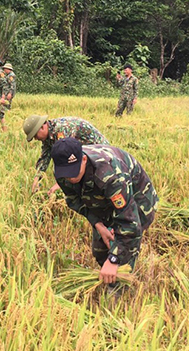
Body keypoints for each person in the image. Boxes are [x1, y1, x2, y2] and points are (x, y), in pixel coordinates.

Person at [51, 137, 157, 286]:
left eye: (74, 172)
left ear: (84, 160)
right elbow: (75, 200)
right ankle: (109, 275)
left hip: (136, 201)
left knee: (122, 254)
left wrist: (115, 259)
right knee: (100, 250)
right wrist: (99, 225)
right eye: (67, 174)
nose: (71, 178)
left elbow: (129, 223)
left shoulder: (111, 174)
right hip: (102, 200)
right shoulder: (63, 172)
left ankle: (118, 291)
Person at [23, 115, 109, 194]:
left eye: (35, 135)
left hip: (99, 152)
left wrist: (59, 185)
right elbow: (45, 157)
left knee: (88, 180)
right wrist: (37, 178)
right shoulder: (48, 135)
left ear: (42, 127)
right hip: (83, 151)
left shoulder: (62, 130)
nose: (35, 139)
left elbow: (68, 158)